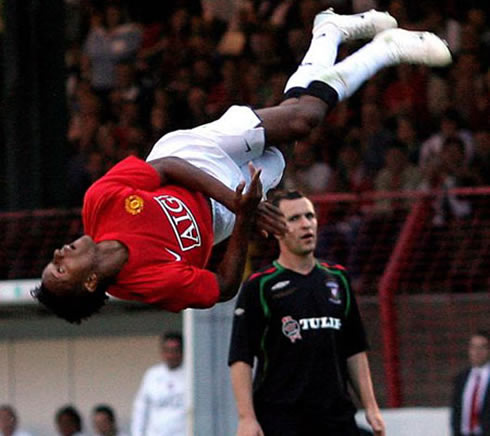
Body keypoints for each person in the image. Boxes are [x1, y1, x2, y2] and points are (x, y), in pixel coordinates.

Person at [32, 8, 452, 324]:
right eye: (60, 267)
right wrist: (244, 216)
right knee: (294, 122)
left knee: (303, 119)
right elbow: (224, 286)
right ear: (89, 283)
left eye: (53, 260)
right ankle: (329, 30)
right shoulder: (152, 285)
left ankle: (385, 50)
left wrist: (237, 204)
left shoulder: (98, 204)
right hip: (227, 210)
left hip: (193, 156)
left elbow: (168, 165)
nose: (58, 252)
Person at [228, 190, 385, 436]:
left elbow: (354, 349)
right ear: (276, 228)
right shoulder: (260, 286)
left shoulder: (338, 279)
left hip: (336, 419)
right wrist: (246, 417)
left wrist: (371, 407)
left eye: (309, 216)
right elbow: (241, 357)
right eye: (294, 219)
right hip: (282, 421)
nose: (305, 224)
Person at [131, 332, 187, 436]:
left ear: (182, 351)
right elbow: (141, 408)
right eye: (167, 351)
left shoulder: (191, 375)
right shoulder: (152, 375)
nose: (170, 355)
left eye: (174, 351)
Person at [450, 330, 490, 436]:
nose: (477, 352)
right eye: (473, 347)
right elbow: (457, 411)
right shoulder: (462, 378)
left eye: (482, 347)